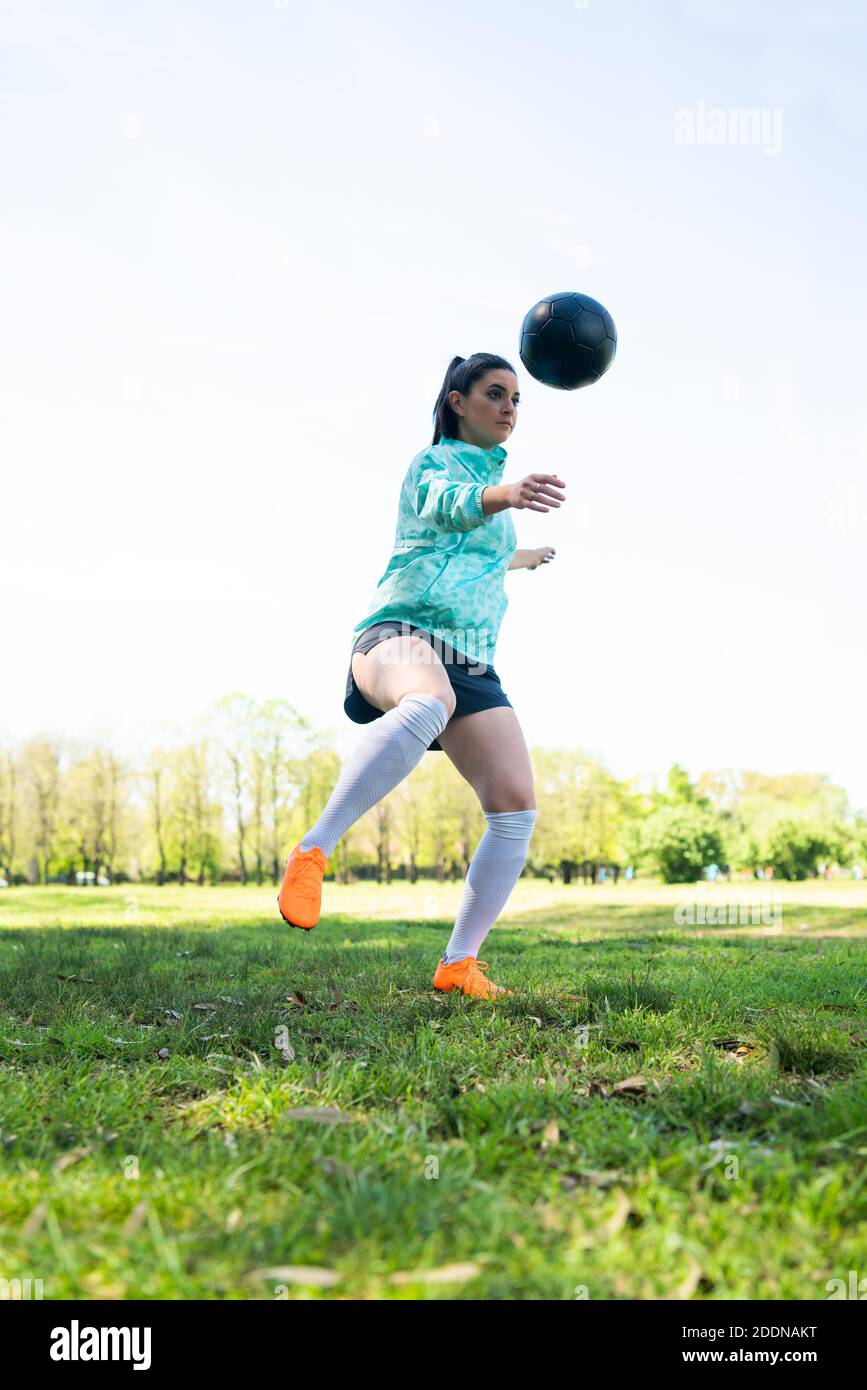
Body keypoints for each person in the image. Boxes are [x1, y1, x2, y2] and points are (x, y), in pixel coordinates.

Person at [278, 352, 565, 998]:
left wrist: (524, 558)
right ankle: (312, 852)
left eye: (516, 399)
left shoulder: (496, 504)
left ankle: (458, 963)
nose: (509, 408)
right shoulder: (431, 465)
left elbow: (477, 551)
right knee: (427, 697)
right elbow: (451, 507)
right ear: (457, 401)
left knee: (515, 806)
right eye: (495, 393)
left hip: (470, 658)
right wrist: (507, 494)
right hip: (400, 634)